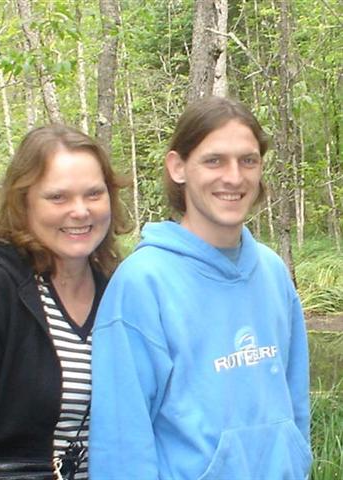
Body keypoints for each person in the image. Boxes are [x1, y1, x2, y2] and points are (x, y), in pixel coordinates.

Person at [89, 96, 312, 480]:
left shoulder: (273, 272)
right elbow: (121, 443)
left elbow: (296, 405)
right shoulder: (143, 283)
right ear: (178, 167)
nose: (234, 177)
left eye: (248, 160)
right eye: (214, 161)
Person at [0, 124, 128, 480]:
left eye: (93, 194)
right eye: (58, 197)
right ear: (23, 203)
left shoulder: (117, 294)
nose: (80, 211)